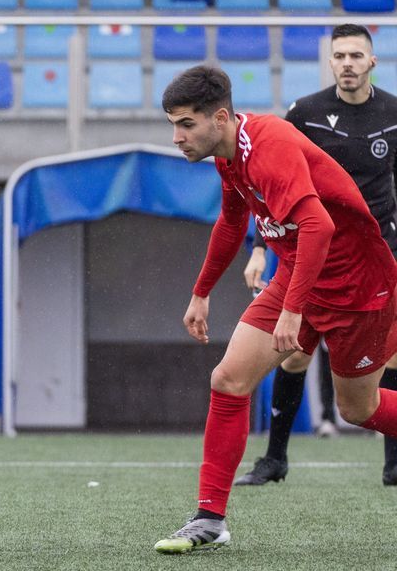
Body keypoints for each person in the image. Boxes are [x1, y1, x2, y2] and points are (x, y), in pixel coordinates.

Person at [154, 66, 397, 554]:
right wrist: (201, 291)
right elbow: (230, 222)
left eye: (185, 124)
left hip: (357, 284)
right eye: (173, 125)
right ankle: (209, 518)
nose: (176, 137)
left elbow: (320, 226)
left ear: (219, 118)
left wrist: (293, 309)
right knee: (228, 379)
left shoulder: (268, 144)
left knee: (358, 409)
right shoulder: (227, 155)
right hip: (298, 272)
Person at [235, 24, 397, 487]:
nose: (347, 63)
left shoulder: (393, 112)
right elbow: (270, 187)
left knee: (392, 359)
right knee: (292, 357)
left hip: (381, 257)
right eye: (339, 55)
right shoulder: (303, 113)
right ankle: (275, 460)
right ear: (330, 62)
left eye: (355, 55)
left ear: (372, 62)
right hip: (313, 254)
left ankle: (394, 465)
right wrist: (260, 248)